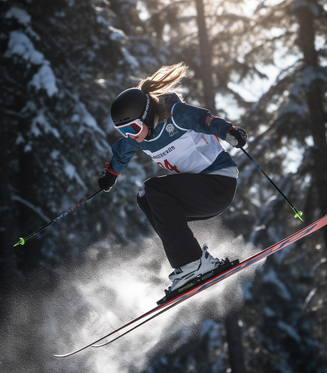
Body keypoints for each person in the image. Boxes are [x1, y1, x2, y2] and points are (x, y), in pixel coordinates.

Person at [98, 63, 247, 293]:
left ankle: (193, 263)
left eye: (133, 128)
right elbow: (123, 152)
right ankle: (189, 264)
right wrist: (111, 174)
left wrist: (229, 132)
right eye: (124, 131)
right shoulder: (141, 136)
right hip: (199, 191)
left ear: (146, 116)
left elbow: (204, 120)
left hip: (218, 183)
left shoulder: (176, 116)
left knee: (155, 188)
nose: (131, 135)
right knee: (146, 197)